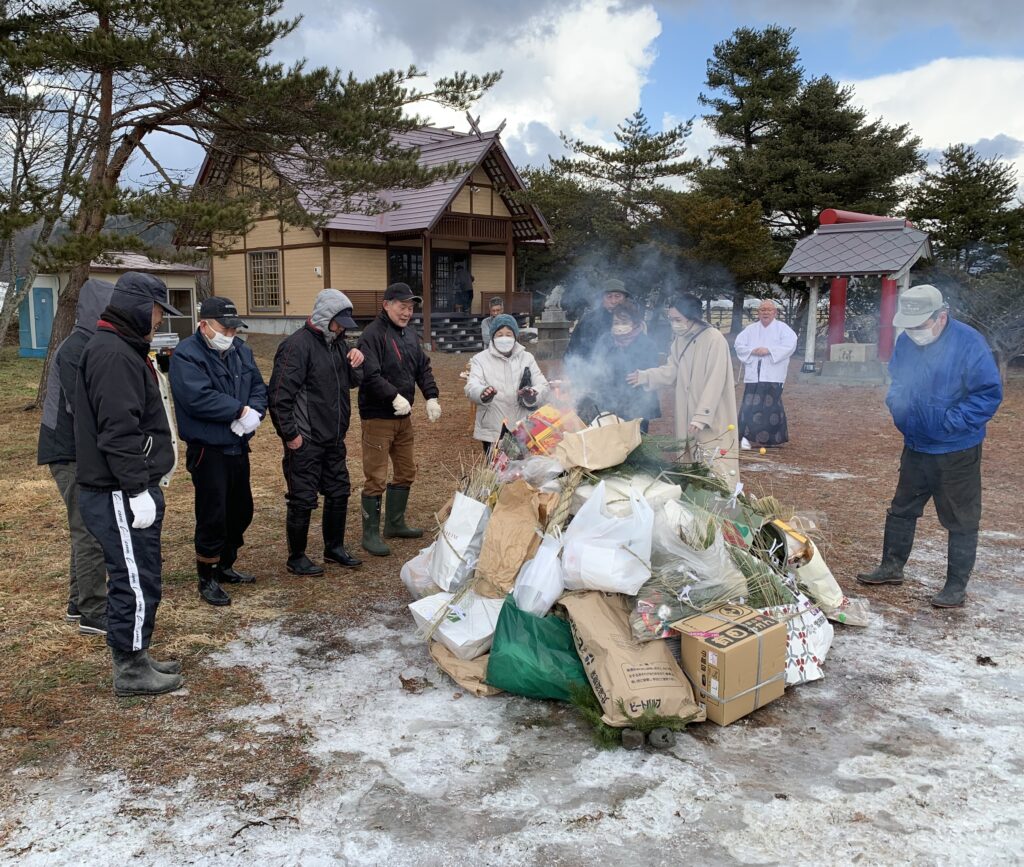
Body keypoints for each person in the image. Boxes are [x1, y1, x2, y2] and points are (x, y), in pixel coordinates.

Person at [857, 284, 1002, 608]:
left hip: (956, 449)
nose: (914, 332)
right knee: (902, 508)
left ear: (941, 317)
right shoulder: (907, 341)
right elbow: (898, 382)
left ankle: (955, 586)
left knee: (961, 518)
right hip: (916, 444)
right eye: (909, 326)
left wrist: (949, 422)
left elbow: (987, 395)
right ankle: (891, 567)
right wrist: (900, 411)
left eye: (919, 325)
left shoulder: (969, 343)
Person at [75, 272, 183, 697]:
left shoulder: (121, 348)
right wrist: (136, 489)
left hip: (124, 486)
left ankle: (138, 651)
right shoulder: (113, 354)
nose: (159, 319)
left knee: (142, 573)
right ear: (138, 306)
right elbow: (119, 430)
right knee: (133, 578)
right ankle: (130, 667)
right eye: (157, 310)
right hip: (117, 490)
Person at [169, 296, 268, 606]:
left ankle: (226, 563)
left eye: (234, 329)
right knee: (213, 513)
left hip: (237, 444)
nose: (230, 335)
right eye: (225, 329)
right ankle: (207, 575)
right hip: (208, 448)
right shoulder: (187, 354)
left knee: (241, 509)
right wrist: (238, 411)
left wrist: (255, 413)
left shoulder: (241, 351)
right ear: (204, 325)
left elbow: (257, 386)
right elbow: (197, 397)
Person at [268, 289, 365, 576]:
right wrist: (291, 435)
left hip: (334, 438)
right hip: (306, 439)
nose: (342, 329)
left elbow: (351, 382)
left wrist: (357, 362)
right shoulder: (296, 346)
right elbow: (279, 396)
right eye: (339, 323)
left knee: (339, 491)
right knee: (302, 498)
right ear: (325, 317)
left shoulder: (338, 345)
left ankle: (334, 548)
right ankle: (296, 557)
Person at [37, 278, 114, 634]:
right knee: (89, 530)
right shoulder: (74, 349)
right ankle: (94, 610)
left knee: (84, 526)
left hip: (81, 449)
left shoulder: (92, 344)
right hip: (69, 451)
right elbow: (80, 407)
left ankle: (77, 601)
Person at [357, 282, 440, 557]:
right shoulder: (372, 335)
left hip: (404, 417)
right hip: (378, 416)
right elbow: (369, 375)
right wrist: (393, 396)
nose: (406, 312)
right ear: (386, 305)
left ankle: (394, 523)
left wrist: (431, 396)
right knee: (376, 477)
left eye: (410, 308)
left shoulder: (409, 335)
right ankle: (370, 534)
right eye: (402, 306)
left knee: (406, 471)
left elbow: (422, 367)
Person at [627, 293, 740, 483]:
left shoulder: (714, 338)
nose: (674, 324)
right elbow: (672, 371)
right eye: (671, 319)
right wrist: (646, 376)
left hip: (711, 414)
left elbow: (715, 380)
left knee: (714, 462)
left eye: (677, 319)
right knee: (689, 464)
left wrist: (702, 416)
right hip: (687, 413)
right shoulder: (680, 340)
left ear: (692, 316)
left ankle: (721, 498)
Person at [465, 314, 549, 453]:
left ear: (515, 336)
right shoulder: (480, 359)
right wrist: (482, 393)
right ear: (492, 336)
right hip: (492, 427)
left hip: (523, 426)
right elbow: (471, 386)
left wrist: (533, 394)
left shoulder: (527, 358)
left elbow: (543, 385)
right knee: (496, 465)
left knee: (524, 464)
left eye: (509, 334)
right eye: (499, 334)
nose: (504, 338)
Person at [733, 299, 798, 448]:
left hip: (773, 373)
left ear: (775, 312)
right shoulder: (750, 329)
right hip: (753, 374)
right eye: (762, 310)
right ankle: (747, 437)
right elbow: (738, 344)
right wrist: (752, 351)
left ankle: (772, 439)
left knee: (771, 405)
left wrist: (769, 351)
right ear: (758, 313)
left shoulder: (783, 329)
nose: (765, 313)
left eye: (769, 310)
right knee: (750, 404)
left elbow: (790, 345)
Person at [590, 299, 661, 432]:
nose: (619, 326)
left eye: (624, 322)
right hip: (608, 401)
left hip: (638, 404)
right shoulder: (605, 340)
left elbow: (652, 372)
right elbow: (595, 365)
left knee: (635, 439)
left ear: (635, 323)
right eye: (616, 322)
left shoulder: (647, 344)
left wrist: (641, 376)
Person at [564, 278, 629, 363]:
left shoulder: (633, 319)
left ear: (624, 298)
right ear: (602, 299)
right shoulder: (589, 320)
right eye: (609, 296)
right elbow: (572, 350)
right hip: (592, 367)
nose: (613, 301)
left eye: (617, 296)